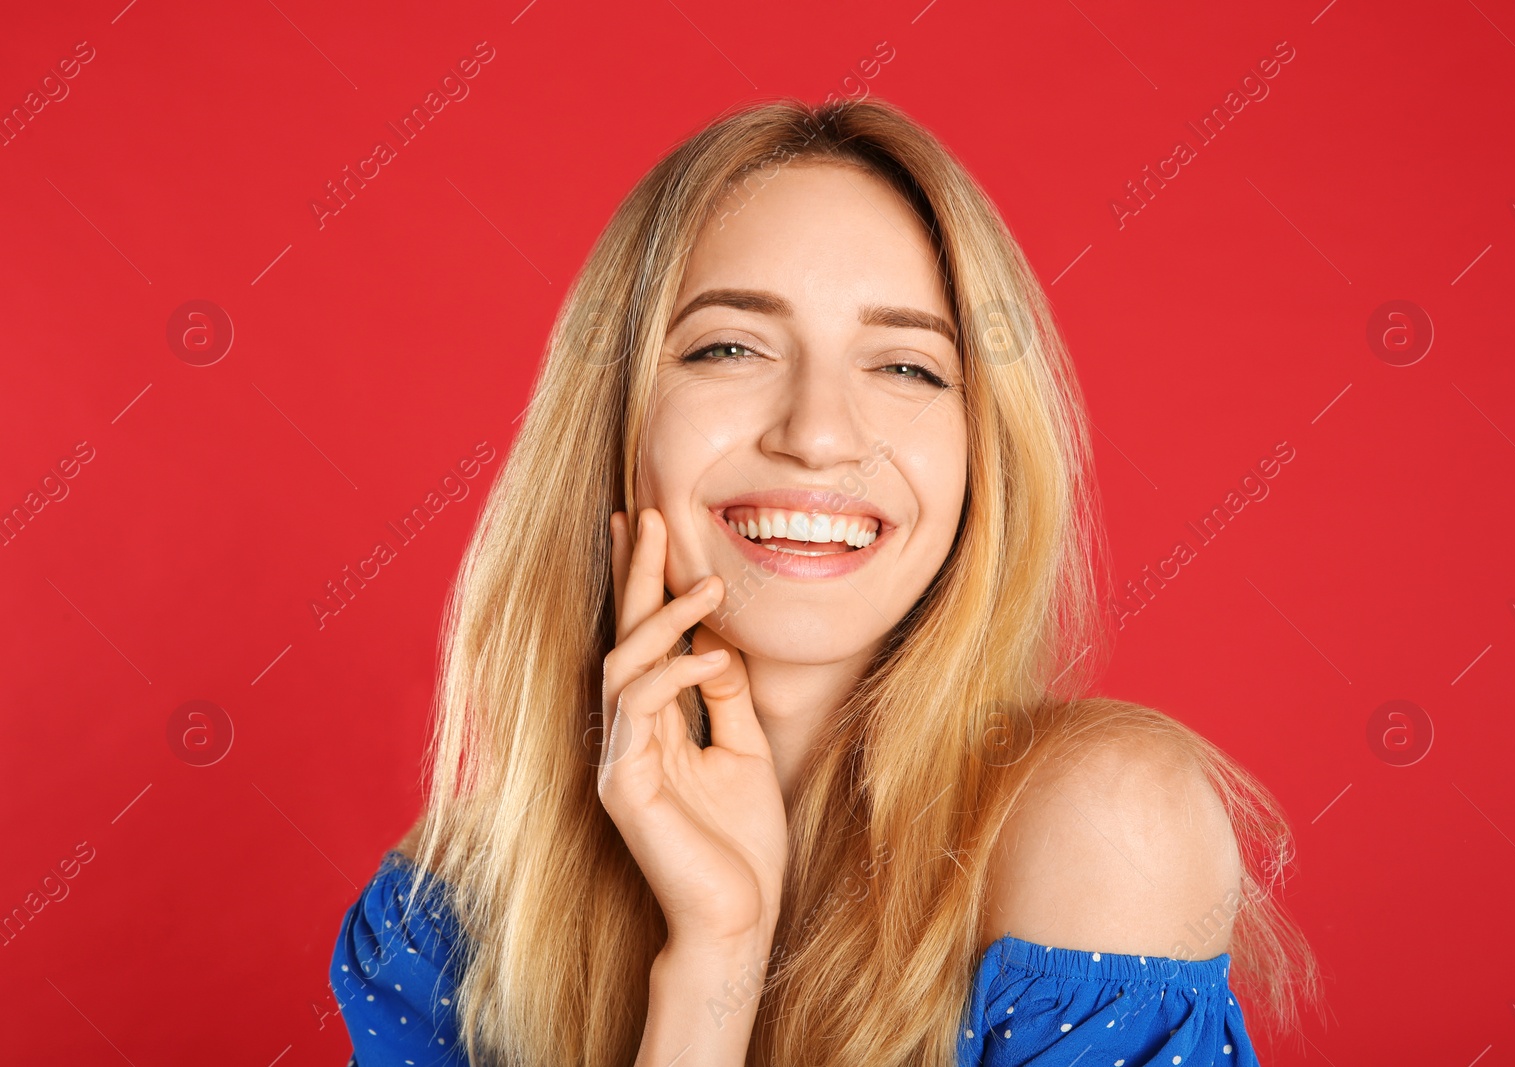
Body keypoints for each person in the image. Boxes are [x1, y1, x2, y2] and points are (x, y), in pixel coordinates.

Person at [329, 96, 1318, 1067]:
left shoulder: (1105, 821)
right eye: (730, 346)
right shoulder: (445, 913)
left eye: (905, 366)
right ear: (614, 425)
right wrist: (713, 954)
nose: (816, 433)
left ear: (984, 456)